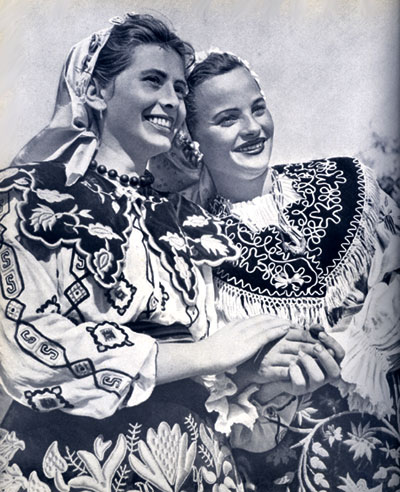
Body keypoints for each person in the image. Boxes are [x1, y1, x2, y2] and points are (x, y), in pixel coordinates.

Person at [0, 16, 307, 492]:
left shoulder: (187, 221)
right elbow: (28, 344)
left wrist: (249, 370)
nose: (171, 101)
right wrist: (205, 355)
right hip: (71, 462)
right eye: (152, 80)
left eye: (180, 89)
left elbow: (203, 359)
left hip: (199, 467)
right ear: (96, 92)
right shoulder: (29, 194)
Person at [151, 51, 400, 490]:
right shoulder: (185, 239)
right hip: (278, 465)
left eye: (258, 108)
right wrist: (250, 372)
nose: (252, 128)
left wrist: (364, 339)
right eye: (228, 119)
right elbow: (188, 370)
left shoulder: (347, 182)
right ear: (191, 140)